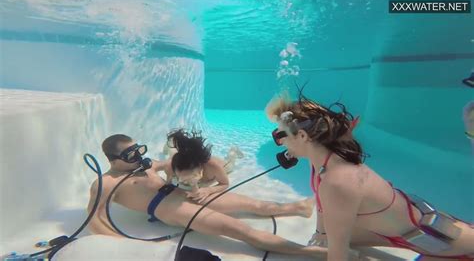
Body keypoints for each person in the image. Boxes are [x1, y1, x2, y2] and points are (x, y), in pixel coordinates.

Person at [265, 92, 474, 261]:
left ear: (302, 136)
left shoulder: (337, 182)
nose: (280, 142)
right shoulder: (322, 160)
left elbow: (338, 254)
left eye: (280, 135)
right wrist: (320, 236)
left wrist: (325, 245)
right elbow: (322, 207)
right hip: (414, 231)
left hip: (444, 242)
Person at [86, 134, 339, 258]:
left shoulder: (149, 165)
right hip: (172, 210)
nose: (139, 156)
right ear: (113, 160)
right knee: (240, 230)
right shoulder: (105, 182)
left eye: (139, 149)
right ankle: (315, 254)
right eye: (130, 154)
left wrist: (206, 184)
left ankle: (300, 207)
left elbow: (178, 164)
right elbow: (95, 219)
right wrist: (124, 242)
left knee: (254, 205)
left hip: (190, 196)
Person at [161, 129, 243, 204]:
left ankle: (233, 151)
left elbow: (225, 183)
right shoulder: (170, 167)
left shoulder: (214, 167)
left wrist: (209, 190)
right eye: (183, 180)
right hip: (181, 159)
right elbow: (167, 183)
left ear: (201, 170)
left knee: (231, 166)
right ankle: (170, 142)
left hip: (223, 165)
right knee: (172, 151)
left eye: (190, 179)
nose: (186, 183)